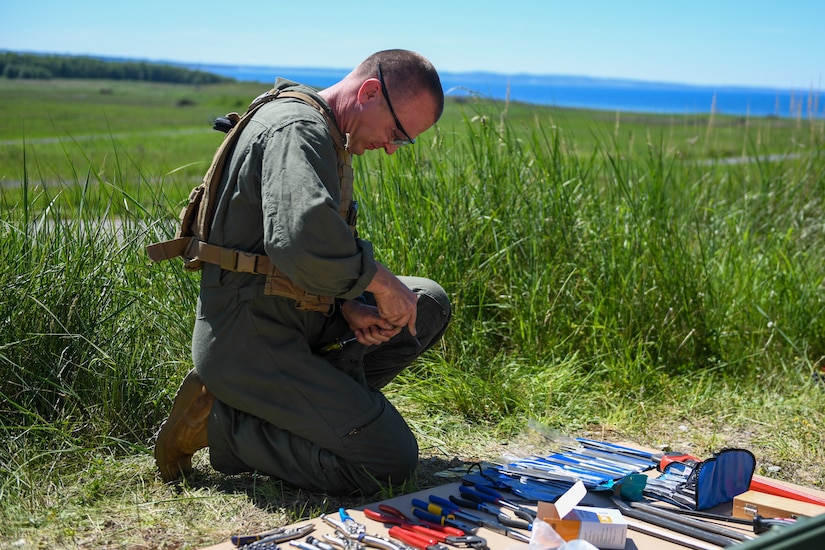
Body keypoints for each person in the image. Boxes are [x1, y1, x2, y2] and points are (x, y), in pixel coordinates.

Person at [154, 49, 450, 495]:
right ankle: (223, 425)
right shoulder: (299, 129)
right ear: (370, 92)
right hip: (251, 335)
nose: (391, 148)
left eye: (402, 141)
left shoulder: (326, 132)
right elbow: (301, 239)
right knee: (390, 463)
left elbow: (293, 256)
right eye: (396, 132)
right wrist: (381, 283)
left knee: (424, 304)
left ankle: (319, 410)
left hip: (293, 315)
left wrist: (349, 302)